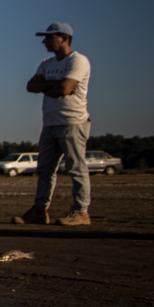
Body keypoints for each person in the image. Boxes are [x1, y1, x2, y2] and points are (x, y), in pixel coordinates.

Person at [16, 22, 92, 227]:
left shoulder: (78, 61)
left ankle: (81, 211)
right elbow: (31, 86)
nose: (44, 41)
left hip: (73, 122)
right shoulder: (46, 64)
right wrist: (52, 86)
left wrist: (51, 86)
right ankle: (40, 210)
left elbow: (65, 88)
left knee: (76, 168)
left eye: (49, 37)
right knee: (45, 169)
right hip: (49, 123)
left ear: (64, 38)